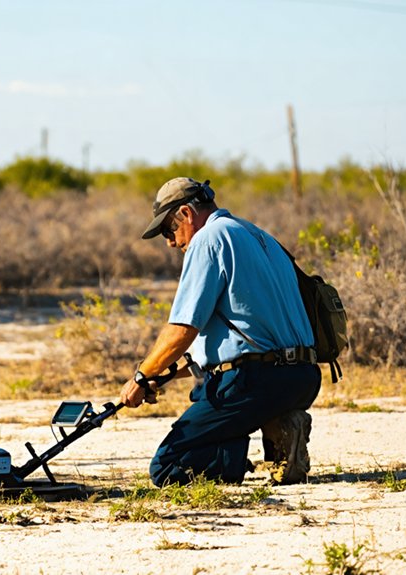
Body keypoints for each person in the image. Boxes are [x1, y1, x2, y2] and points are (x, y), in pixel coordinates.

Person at [119, 176, 321, 486]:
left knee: (167, 468)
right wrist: (164, 375)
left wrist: (141, 376)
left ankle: (244, 451)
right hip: (302, 377)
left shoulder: (208, 239)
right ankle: (280, 425)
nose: (170, 242)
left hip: (256, 381)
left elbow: (182, 330)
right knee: (207, 389)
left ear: (186, 214)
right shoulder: (258, 235)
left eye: (168, 229)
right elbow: (236, 338)